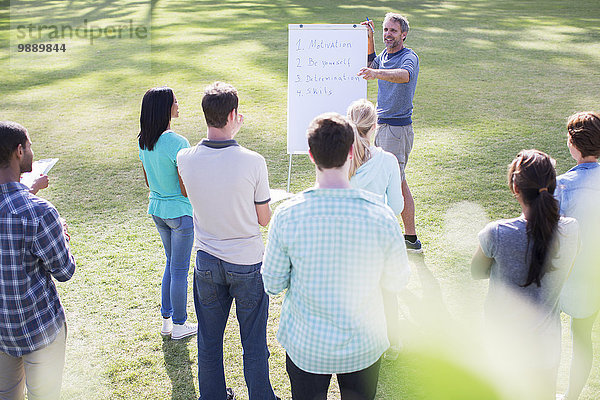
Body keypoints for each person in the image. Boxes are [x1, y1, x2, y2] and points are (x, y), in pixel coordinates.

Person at [262, 112, 410, 400]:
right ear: (352, 151)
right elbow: (396, 281)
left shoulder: (288, 215)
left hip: (307, 346)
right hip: (363, 346)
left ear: (310, 154)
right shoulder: (381, 216)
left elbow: (272, 283)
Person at [177, 82, 278, 400]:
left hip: (206, 259)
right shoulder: (253, 161)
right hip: (247, 262)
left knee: (209, 340)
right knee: (253, 341)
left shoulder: (185, 157)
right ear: (233, 114)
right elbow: (264, 219)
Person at [471, 149, 579, 399]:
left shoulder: (496, 232)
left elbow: (477, 272)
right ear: (552, 185)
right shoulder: (571, 231)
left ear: (515, 188)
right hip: (547, 347)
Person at [0, 121, 76, 400]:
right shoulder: (39, 212)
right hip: (40, 330)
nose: (32, 151)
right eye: (30, 146)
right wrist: (63, 237)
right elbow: (65, 270)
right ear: (19, 151)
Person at [346, 98, 404, 360]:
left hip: (346, 237)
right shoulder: (387, 160)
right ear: (374, 127)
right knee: (386, 290)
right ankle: (392, 342)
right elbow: (396, 205)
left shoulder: (339, 159)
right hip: (379, 238)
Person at [358, 12, 421, 252]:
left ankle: (410, 239)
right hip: (382, 126)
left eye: (393, 31)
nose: (388, 34)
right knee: (392, 180)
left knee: (397, 182)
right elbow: (373, 62)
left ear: (403, 34)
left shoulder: (409, 57)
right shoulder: (384, 55)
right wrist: (370, 37)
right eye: (385, 30)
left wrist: (375, 74)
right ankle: (407, 238)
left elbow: (404, 76)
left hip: (397, 129)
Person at [138, 86, 197, 340]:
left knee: (171, 265)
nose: (178, 104)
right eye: (175, 101)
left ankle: (167, 321)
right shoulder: (178, 142)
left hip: (158, 210)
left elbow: (148, 181)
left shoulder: (143, 140)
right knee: (180, 270)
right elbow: (186, 187)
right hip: (180, 215)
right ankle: (181, 324)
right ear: (166, 108)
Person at [554, 112, 600, 400]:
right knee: (582, 337)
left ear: (573, 144)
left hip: (568, 275)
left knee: (552, 336)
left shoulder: (562, 185)